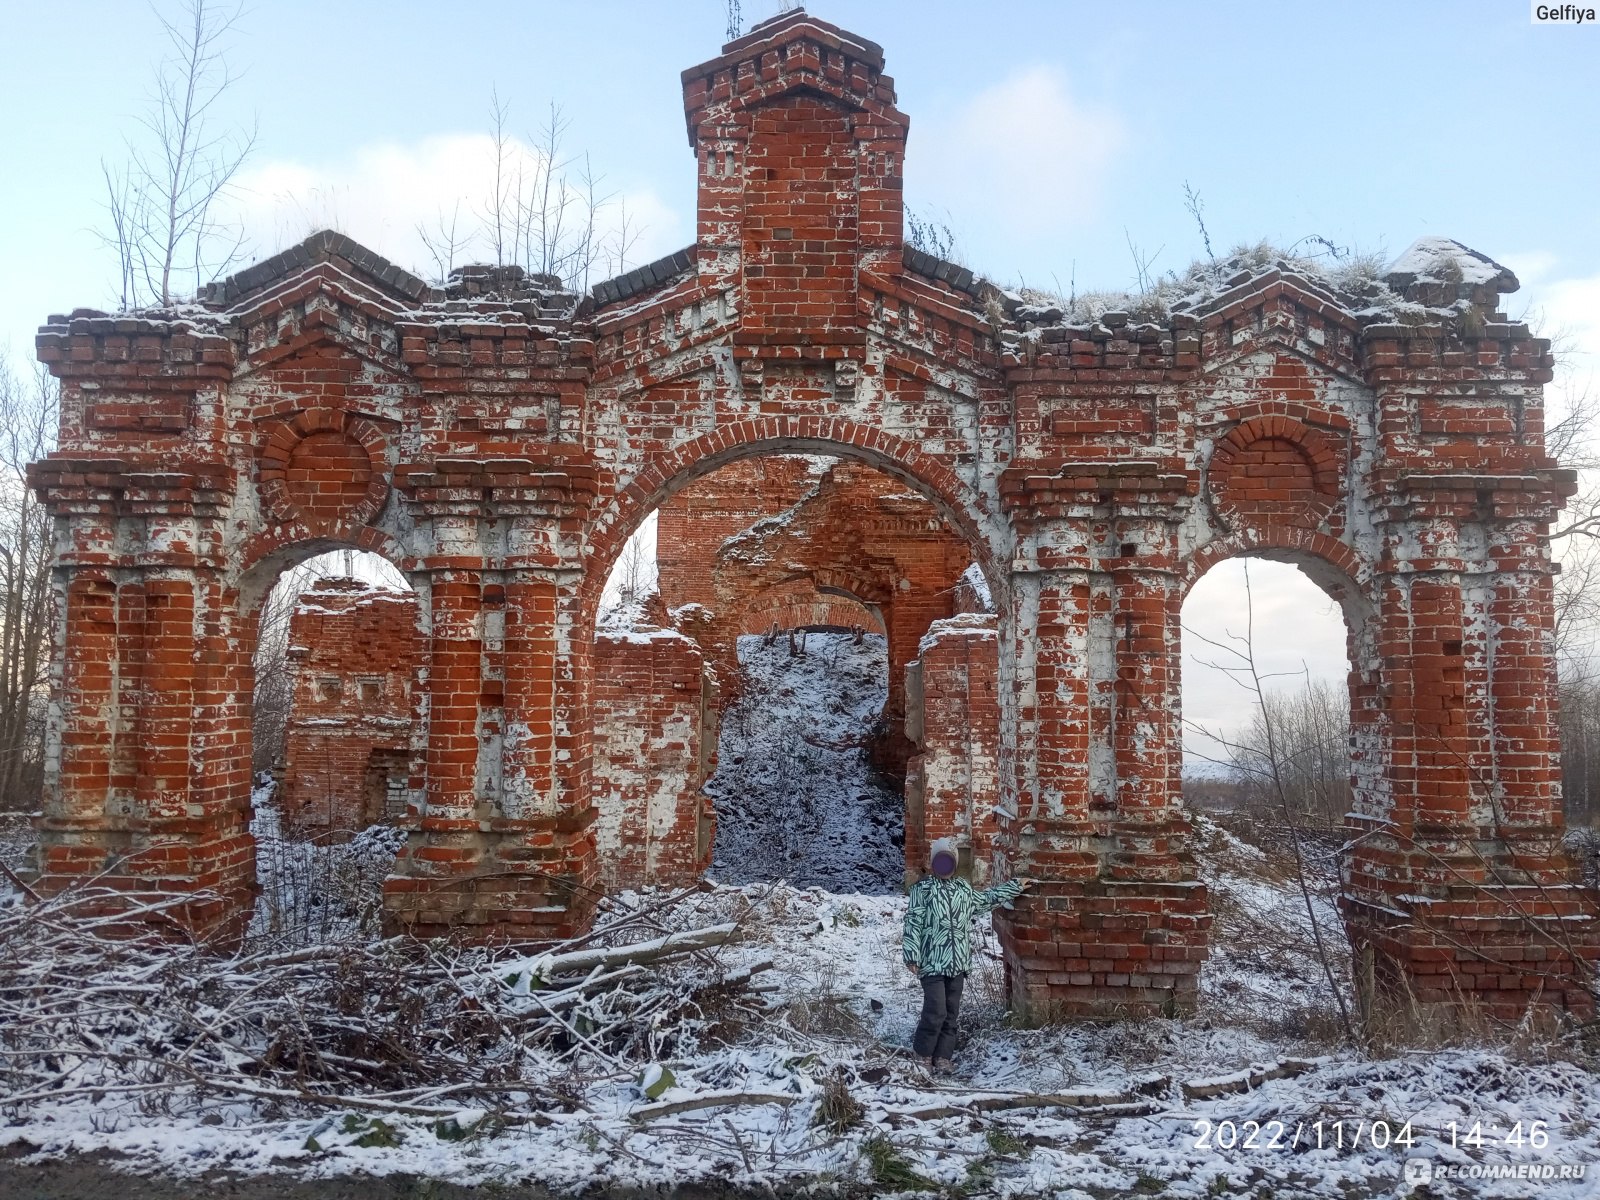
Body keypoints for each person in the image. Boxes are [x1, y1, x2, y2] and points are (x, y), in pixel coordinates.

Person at [901, 837, 1032, 1072]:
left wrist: (1015, 887)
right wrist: (912, 955)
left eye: (948, 862)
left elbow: (986, 899)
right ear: (933, 863)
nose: (944, 866)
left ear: (954, 864)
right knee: (935, 1011)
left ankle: (943, 1057)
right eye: (940, 861)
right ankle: (922, 1055)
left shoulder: (963, 889)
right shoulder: (923, 890)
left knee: (951, 1013)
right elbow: (913, 922)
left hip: (958, 963)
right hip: (931, 962)